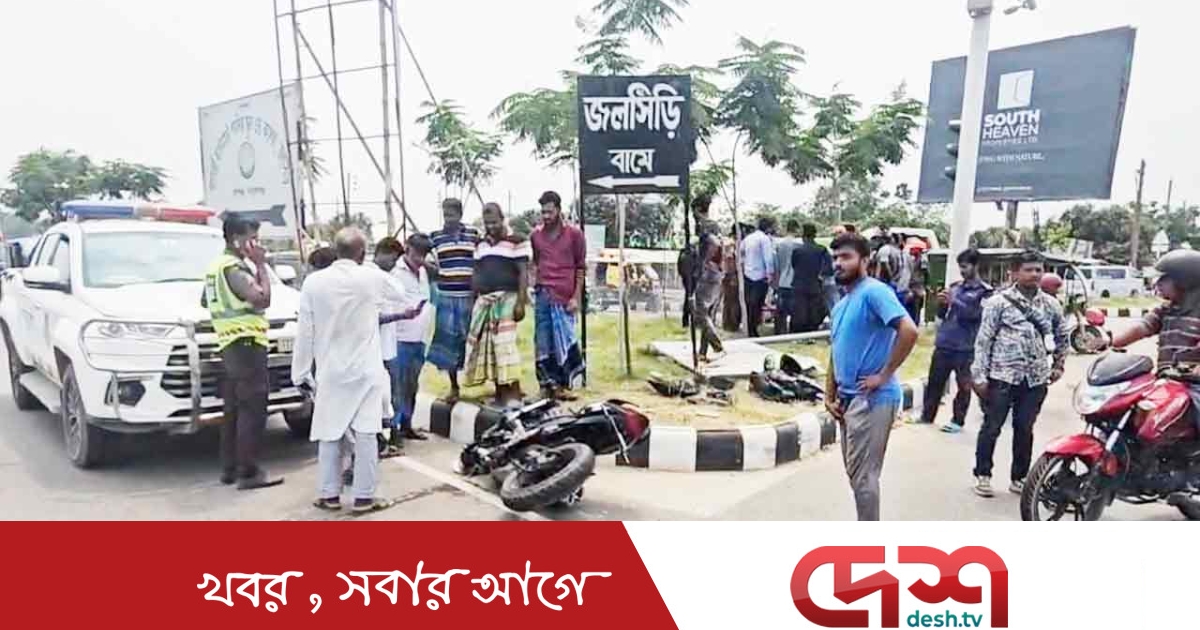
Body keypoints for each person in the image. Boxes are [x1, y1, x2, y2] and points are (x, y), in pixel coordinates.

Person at [292, 228, 417, 513]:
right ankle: (363, 498)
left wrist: (300, 373)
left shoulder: (314, 283)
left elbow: (305, 332)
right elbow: (399, 292)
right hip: (365, 370)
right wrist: (368, 267)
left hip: (331, 370)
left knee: (329, 432)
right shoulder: (370, 277)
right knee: (366, 433)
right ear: (362, 252)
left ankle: (329, 495)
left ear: (336, 249)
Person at [825, 232, 919, 521]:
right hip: (848, 400)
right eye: (835, 257)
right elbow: (835, 351)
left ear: (865, 260)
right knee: (857, 476)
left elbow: (909, 331)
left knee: (864, 478)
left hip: (873, 399)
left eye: (846, 257)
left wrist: (883, 374)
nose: (839, 263)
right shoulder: (842, 304)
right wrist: (829, 394)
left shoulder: (875, 292)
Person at [971, 250, 1066, 498]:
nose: (1034, 274)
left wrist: (1058, 365)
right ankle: (983, 475)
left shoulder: (1051, 304)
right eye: (1028, 270)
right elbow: (984, 340)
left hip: (1035, 378)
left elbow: (1062, 336)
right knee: (992, 427)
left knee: (1025, 428)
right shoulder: (997, 303)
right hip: (1001, 375)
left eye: (1038, 270)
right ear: (1014, 273)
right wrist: (979, 376)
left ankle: (1019, 477)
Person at [202, 215, 282, 490]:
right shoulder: (234, 268)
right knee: (252, 408)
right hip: (246, 343)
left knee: (234, 409)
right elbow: (262, 299)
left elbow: (206, 301)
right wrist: (260, 265)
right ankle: (249, 472)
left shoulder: (215, 267)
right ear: (236, 239)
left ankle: (230, 469)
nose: (257, 245)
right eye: (253, 239)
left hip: (229, 345)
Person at [1111, 249, 1200, 414]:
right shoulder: (1166, 310)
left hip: (1194, 385)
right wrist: (1110, 341)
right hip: (1167, 380)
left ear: (1185, 281)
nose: (1158, 283)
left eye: (1164, 279)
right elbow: (1143, 327)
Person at [464, 202, 530, 407]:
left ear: (503, 219)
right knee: (490, 349)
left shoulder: (517, 241)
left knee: (505, 346)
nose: (491, 226)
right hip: (485, 300)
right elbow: (476, 271)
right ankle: (500, 392)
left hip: (507, 298)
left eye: (494, 222)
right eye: (487, 223)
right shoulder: (480, 244)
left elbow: (523, 273)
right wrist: (473, 299)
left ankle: (513, 393)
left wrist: (521, 302)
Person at [920, 248, 992, 432]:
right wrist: (941, 303)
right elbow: (942, 315)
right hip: (945, 342)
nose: (962, 271)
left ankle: (957, 420)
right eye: (960, 267)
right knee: (935, 382)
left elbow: (977, 315)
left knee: (964, 386)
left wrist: (955, 302)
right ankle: (927, 415)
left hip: (966, 346)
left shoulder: (985, 293)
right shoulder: (955, 287)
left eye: (965, 267)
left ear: (976, 266)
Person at [530, 191, 586, 400]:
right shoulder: (536, 236)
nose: (546, 216)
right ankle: (546, 385)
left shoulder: (575, 235)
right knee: (543, 342)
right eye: (543, 212)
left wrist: (576, 297)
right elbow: (536, 262)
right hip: (543, 294)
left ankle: (563, 386)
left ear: (559, 210)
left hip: (565, 297)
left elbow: (581, 267)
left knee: (565, 341)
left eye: (550, 212)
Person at [427, 198, 481, 404]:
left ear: (460, 214)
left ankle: (480, 382)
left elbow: (481, 261)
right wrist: (437, 271)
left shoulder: (473, 235)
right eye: (445, 215)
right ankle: (454, 386)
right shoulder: (435, 238)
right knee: (448, 343)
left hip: (470, 297)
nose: (448, 219)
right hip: (447, 297)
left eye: (451, 215)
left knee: (473, 339)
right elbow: (428, 263)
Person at [366, 237, 407, 457]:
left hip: (388, 346)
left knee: (391, 395)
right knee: (382, 398)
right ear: (380, 253)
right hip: (376, 350)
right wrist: (401, 315)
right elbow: (373, 316)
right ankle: (381, 440)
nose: (393, 265)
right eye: (392, 259)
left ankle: (391, 437)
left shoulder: (382, 277)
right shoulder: (371, 275)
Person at [390, 234, 433, 444]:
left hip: (419, 337)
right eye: (417, 254)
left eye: (424, 255)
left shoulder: (423, 272)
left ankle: (407, 425)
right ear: (407, 249)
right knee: (398, 387)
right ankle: (393, 431)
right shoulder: (395, 274)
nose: (420, 259)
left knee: (412, 386)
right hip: (400, 338)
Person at [790, 223, 833, 333]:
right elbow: (829, 269)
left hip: (799, 285)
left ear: (803, 236)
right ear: (815, 235)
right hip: (815, 285)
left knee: (800, 313)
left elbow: (794, 265)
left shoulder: (797, 251)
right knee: (814, 313)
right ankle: (812, 331)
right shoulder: (822, 250)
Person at [739, 217, 776, 337]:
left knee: (750, 303)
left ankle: (749, 327)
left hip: (748, 274)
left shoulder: (748, 238)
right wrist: (770, 274)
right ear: (768, 228)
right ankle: (753, 329)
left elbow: (741, 253)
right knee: (757, 304)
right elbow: (768, 258)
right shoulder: (765, 239)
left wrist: (744, 267)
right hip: (760, 276)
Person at [773, 219, 801, 335]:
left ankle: (780, 331)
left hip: (782, 280)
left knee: (781, 310)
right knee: (795, 309)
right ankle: (794, 331)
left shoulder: (779, 245)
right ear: (796, 229)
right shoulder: (799, 244)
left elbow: (776, 264)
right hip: (795, 280)